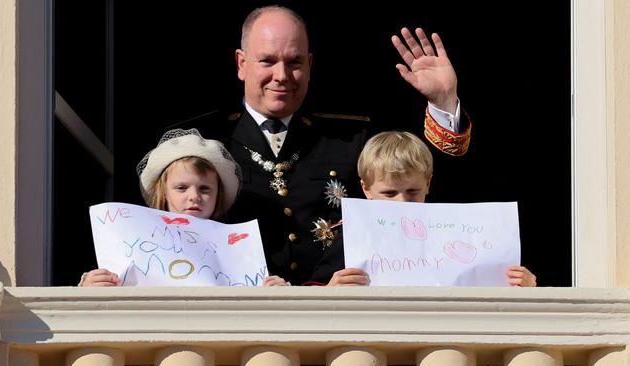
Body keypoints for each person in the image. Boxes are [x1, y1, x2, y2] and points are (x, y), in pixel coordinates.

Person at [174, 5, 472, 285]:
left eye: (294, 62)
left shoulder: (351, 139)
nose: (281, 76)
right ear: (241, 63)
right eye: (267, 61)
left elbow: (424, 187)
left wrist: (443, 101)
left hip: (339, 317)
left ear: (310, 64)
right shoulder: (199, 140)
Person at [309, 131, 537, 287]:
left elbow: (494, 279)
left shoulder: (458, 229)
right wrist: (329, 288)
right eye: (389, 193)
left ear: (428, 183)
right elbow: (313, 290)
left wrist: (525, 285)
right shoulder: (352, 238)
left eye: (412, 191)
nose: (402, 202)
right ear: (366, 189)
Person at [80, 128, 288, 287]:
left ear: (218, 195)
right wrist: (91, 284)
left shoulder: (240, 248)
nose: (194, 197)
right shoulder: (130, 237)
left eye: (205, 189)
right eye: (181, 188)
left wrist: (276, 291)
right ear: (164, 193)